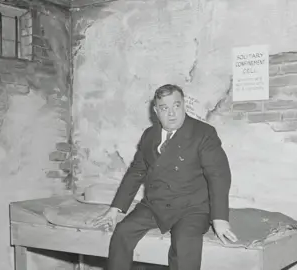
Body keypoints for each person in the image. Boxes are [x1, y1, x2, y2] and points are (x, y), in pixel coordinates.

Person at [92, 84, 237, 270]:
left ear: (184, 105)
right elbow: (136, 172)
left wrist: (219, 218)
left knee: (184, 243)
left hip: (192, 207)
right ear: (156, 111)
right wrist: (115, 209)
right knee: (122, 232)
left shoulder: (204, 134)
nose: (171, 114)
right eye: (164, 108)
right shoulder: (149, 135)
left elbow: (219, 176)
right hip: (155, 204)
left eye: (176, 106)